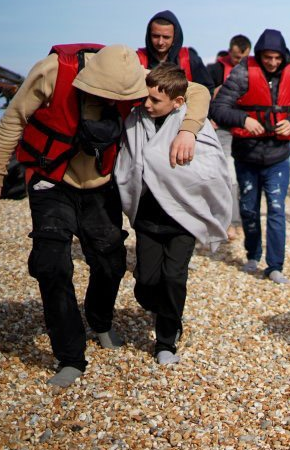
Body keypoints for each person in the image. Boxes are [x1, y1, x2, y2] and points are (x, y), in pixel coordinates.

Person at [0, 44, 208, 387]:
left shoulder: (135, 72)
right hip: (50, 179)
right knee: (52, 264)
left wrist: (188, 128)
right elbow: (14, 117)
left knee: (110, 261)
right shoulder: (53, 71)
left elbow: (197, 90)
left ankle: (99, 321)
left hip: (99, 183)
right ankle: (69, 356)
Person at [116, 64, 230, 365]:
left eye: (155, 100)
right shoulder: (136, 121)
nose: (147, 104)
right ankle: (163, 307)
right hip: (148, 217)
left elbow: (213, 169)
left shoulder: (195, 126)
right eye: (146, 98)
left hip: (183, 217)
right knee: (147, 284)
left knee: (174, 277)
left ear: (178, 102)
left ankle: (166, 340)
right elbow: (127, 164)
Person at [210, 29, 290, 284]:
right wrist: (244, 118)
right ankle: (252, 255)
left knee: (277, 209)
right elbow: (218, 108)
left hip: (278, 156)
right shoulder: (243, 72)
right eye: (268, 57)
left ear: (284, 56)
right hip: (247, 154)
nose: (273, 63)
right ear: (260, 55)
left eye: (277, 58)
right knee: (249, 209)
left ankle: (275, 266)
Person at [206, 34, 252, 240]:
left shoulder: (255, 71)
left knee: (246, 178)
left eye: (243, 58)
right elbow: (200, 95)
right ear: (229, 52)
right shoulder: (214, 71)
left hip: (248, 131)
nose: (239, 62)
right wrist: (208, 117)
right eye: (235, 58)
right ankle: (229, 222)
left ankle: (242, 220)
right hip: (222, 130)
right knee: (229, 176)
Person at [136, 10, 214, 89]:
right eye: (155, 36)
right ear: (149, 36)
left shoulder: (190, 59)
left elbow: (206, 89)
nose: (160, 42)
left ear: (175, 37)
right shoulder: (137, 59)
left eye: (166, 37)